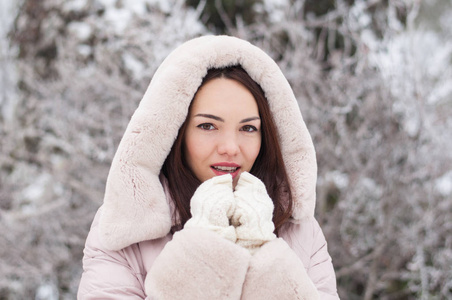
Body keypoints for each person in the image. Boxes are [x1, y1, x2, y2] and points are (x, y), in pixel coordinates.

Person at [78, 35, 339, 299]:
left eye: (248, 128)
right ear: (175, 132)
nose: (230, 147)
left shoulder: (302, 231)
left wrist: (261, 249)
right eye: (208, 126)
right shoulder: (123, 230)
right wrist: (203, 248)